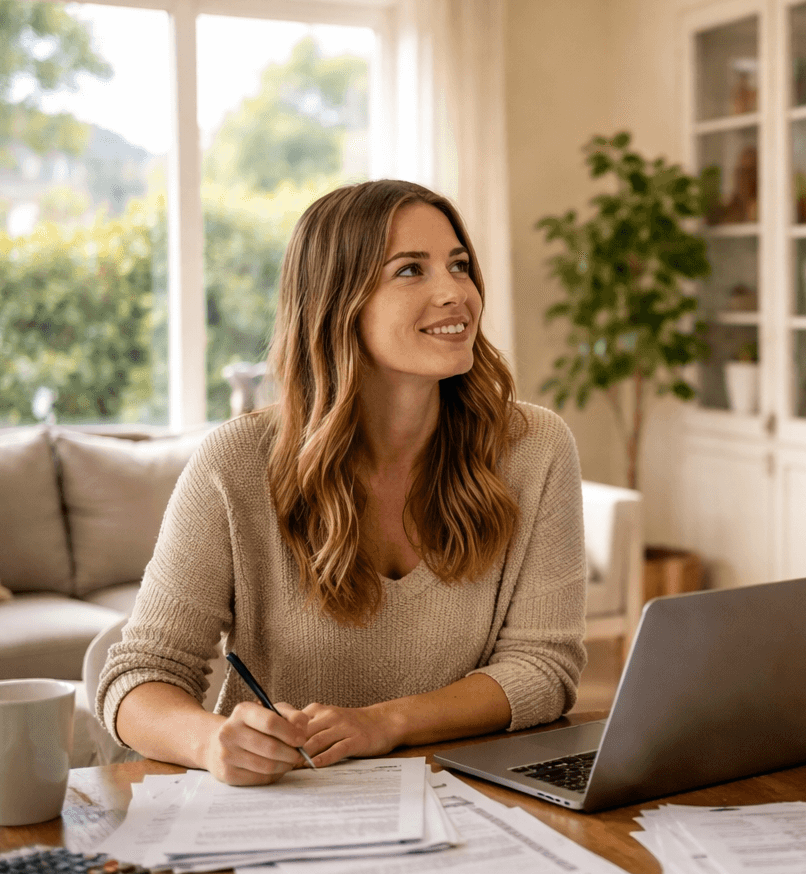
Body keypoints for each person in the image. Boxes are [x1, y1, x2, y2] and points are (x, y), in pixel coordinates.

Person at [96, 180, 587, 787]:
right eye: (411, 270)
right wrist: (210, 741)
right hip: (286, 806)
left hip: (471, 798)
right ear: (336, 301)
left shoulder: (534, 447)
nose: (455, 292)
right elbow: (137, 678)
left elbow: (545, 667)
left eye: (459, 266)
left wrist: (386, 723)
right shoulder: (237, 462)